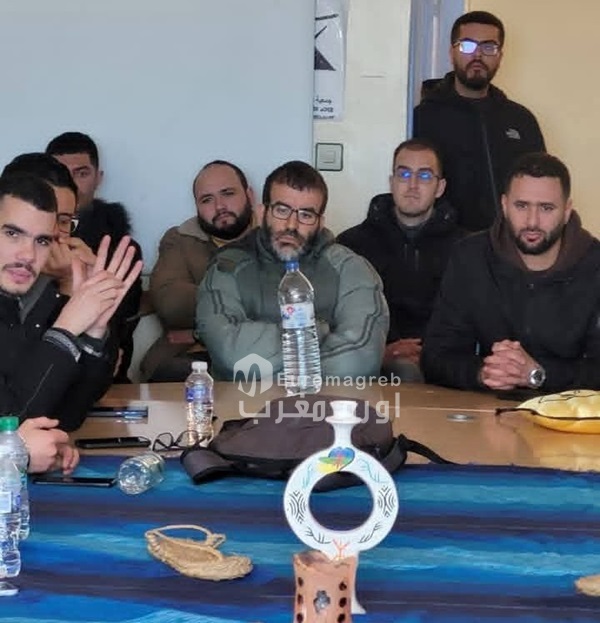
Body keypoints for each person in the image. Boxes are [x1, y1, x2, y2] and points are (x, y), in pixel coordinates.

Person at [421, 152, 600, 394]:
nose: (532, 222)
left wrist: (538, 374)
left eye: (546, 208)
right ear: (504, 205)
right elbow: (435, 356)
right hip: (485, 406)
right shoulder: (470, 257)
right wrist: (483, 373)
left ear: (567, 210)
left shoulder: (594, 265)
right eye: (521, 206)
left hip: (570, 411)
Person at [196, 160, 389, 381]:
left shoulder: (350, 267)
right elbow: (232, 356)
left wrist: (270, 367)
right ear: (262, 212)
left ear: (320, 222)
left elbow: (359, 362)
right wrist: (315, 331)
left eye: (306, 215)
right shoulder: (227, 268)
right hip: (244, 401)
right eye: (282, 210)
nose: (291, 225)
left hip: (329, 401)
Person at [0, 172, 142, 431]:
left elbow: (62, 417)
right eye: (12, 233)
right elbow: (11, 423)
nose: (28, 255)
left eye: (42, 240)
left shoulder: (9, 304)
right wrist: (66, 328)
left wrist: (92, 334)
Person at [337, 139, 463, 382]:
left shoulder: (465, 249)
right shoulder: (351, 245)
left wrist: (434, 355)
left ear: (440, 187)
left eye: (424, 176)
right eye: (404, 174)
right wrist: (380, 353)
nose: (412, 185)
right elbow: (340, 321)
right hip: (374, 364)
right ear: (391, 181)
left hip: (445, 365)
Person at [413, 10, 545, 232]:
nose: (477, 55)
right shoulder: (423, 118)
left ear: (500, 56)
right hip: (443, 245)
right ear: (451, 53)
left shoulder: (522, 121)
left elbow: (541, 187)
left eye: (488, 47)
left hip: (509, 244)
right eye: (467, 46)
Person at [141, 160, 255, 382]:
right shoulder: (179, 239)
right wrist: (252, 298)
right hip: (191, 359)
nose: (219, 206)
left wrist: (197, 332)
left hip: (262, 355)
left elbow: (288, 306)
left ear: (249, 195)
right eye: (207, 200)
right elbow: (171, 305)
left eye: (228, 193)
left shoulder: (275, 236)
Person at [45, 132, 142, 382]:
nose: (72, 184)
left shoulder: (122, 249)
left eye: (82, 173)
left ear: (98, 178)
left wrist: (93, 276)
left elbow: (119, 335)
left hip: (103, 376)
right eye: (62, 174)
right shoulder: (25, 247)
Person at [2, 153, 96, 297]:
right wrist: (68, 282)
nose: (52, 231)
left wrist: (91, 281)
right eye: (13, 233)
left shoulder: (80, 258)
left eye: (63, 221)